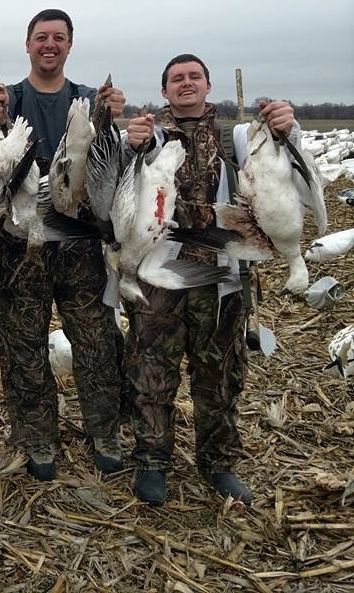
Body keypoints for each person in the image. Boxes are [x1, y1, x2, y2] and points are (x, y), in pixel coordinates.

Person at [121, 53, 297, 506]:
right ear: (164, 91)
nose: (186, 83)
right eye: (176, 79)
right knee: (151, 371)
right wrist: (129, 142)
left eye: (194, 77)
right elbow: (123, 182)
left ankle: (218, 463)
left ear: (207, 85)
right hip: (162, 274)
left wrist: (284, 126)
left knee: (219, 373)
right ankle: (153, 462)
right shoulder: (152, 136)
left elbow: (281, 160)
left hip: (223, 275)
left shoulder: (236, 136)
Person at [0, 9, 127, 480]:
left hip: (79, 244)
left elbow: (112, 168)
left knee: (96, 339)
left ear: (69, 45)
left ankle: (105, 430)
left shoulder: (87, 99)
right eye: (41, 37)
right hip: (19, 247)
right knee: (22, 344)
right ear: (27, 45)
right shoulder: (9, 100)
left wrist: (111, 118)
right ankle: (36, 437)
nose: (49, 44)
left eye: (58, 38)